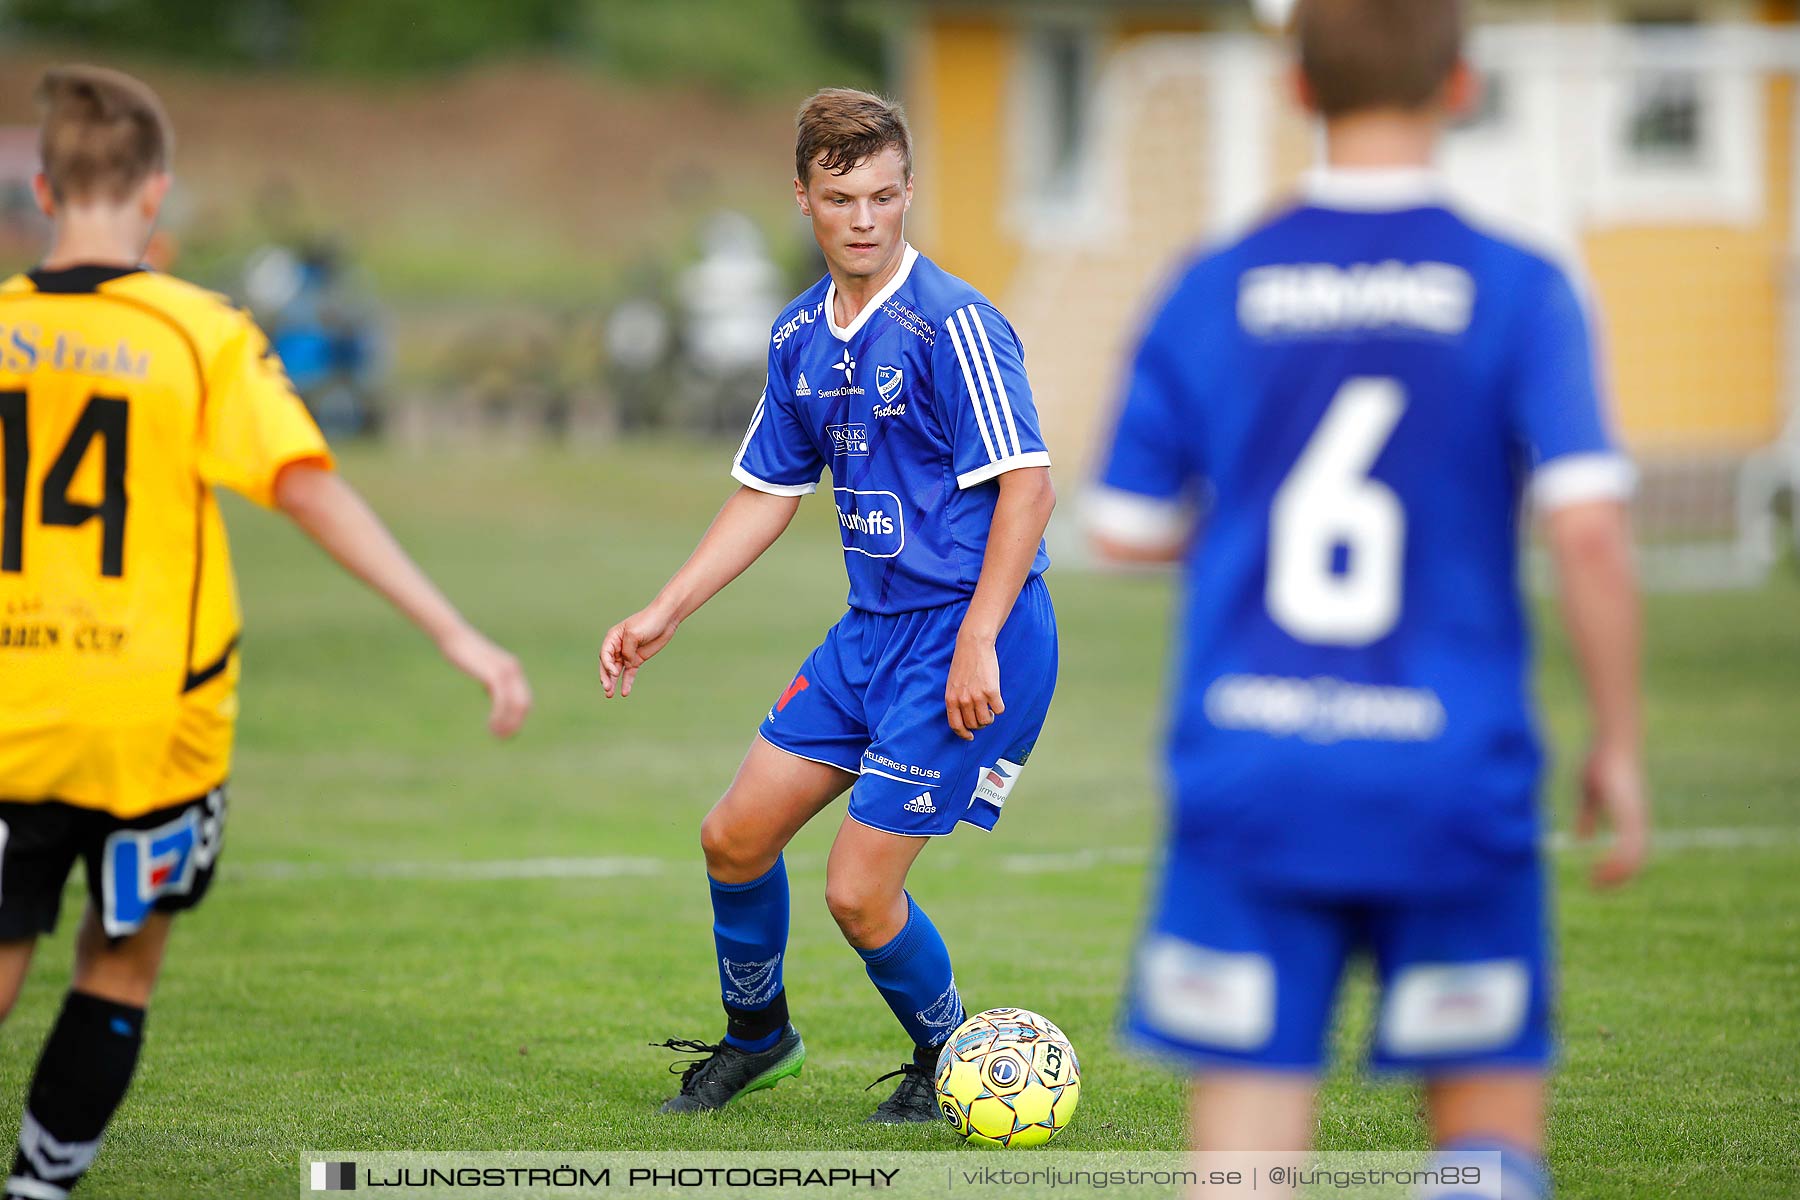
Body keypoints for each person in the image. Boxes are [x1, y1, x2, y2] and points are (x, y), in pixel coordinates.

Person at [1087, 3, 1648, 1195]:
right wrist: (1621, 744)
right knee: (1485, 1150)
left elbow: (1123, 529)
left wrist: (1243, 531)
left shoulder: (1215, 284)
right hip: (1451, 774)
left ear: (1296, 87)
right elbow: (1590, 532)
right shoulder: (1522, 288)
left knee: (1243, 1167)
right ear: (1461, 83)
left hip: (1256, 767)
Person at [0, 66, 531, 1200]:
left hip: (8, 714)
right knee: (118, 965)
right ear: (157, 198)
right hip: (153, 724)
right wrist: (455, 633)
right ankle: (38, 1191)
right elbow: (308, 489)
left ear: (43, 187)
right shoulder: (199, 333)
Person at [600, 88, 1058, 1122]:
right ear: (802, 196)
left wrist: (979, 637)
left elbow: (1029, 488)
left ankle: (955, 1063)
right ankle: (759, 1039)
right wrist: (666, 608)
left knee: (857, 892)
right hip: (870, 637)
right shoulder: (799, 334)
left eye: (886, 196)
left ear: (908, 195)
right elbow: (768, 492)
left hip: (969, 635)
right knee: (734, 838)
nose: (866, 218)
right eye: (843, 196)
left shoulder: (955, 326)